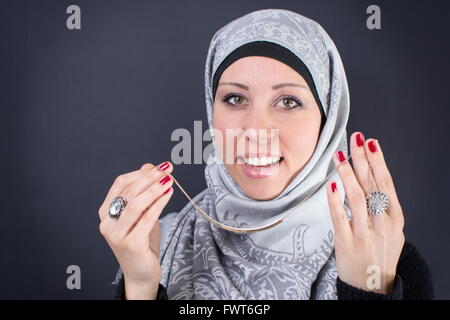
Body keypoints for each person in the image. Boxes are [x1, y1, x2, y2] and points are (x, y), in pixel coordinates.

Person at [98, 8, 433, 300]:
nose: (255, 131)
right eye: (235, 99)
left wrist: (368, 292)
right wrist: (141, 285)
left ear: (328, 121)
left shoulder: (387, 258)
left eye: (288, 102)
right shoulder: (157, 243)